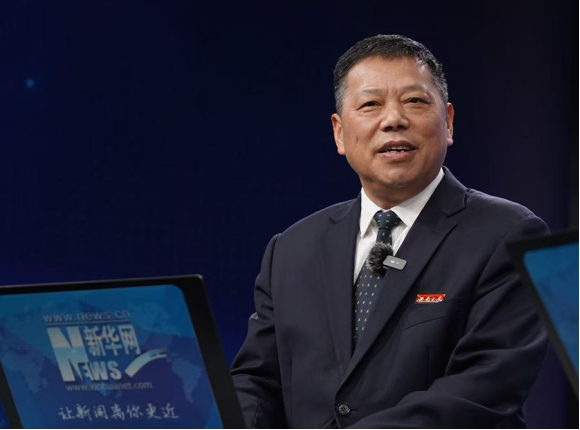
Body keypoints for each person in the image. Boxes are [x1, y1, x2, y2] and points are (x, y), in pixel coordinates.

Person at [231, 35, 550, 429]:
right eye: (370, 105)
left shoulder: (509, 235)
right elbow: (258, 381)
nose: (394, 119)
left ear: (448, 122)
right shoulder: (292, 249)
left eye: (415, 101)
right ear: (339, 133)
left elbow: (482, 389)